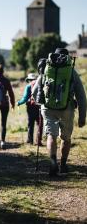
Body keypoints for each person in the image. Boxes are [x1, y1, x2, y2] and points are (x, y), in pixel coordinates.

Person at [32, 48, 86, 176]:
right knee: (66, 138)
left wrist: (40, 102)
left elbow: (34, 91)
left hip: (48, 108)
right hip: (67, 108)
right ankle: (63, 165)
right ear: (67, 58)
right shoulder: (71, 72)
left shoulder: (47, 69)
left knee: (51, 135)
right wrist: (82, 117)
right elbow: (81, 96)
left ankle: (52, 163)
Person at [17, 73, 43, 146]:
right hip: (40, 107)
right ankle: (38, 141)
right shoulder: (41, 85)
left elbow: (25, 98)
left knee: (30, 124)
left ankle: (30, 140)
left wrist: (19, 103)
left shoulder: (28, 86)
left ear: (29, 80)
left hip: (31, 108)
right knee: (40, 124)